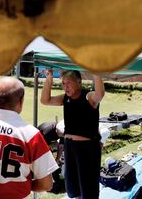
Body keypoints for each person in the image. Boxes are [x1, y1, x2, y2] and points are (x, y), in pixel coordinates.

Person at [41, 69, 105, 199]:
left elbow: (99, 95)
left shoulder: (88, 96)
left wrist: (96, 70)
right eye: (63, 83)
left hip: (87, 149)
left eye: (69, 83)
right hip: (70, 148)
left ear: (79, 82)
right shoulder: (65, 98)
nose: (66, 86)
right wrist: (49, 79)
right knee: (74, 189)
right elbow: (45, 100)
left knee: (89, 189)